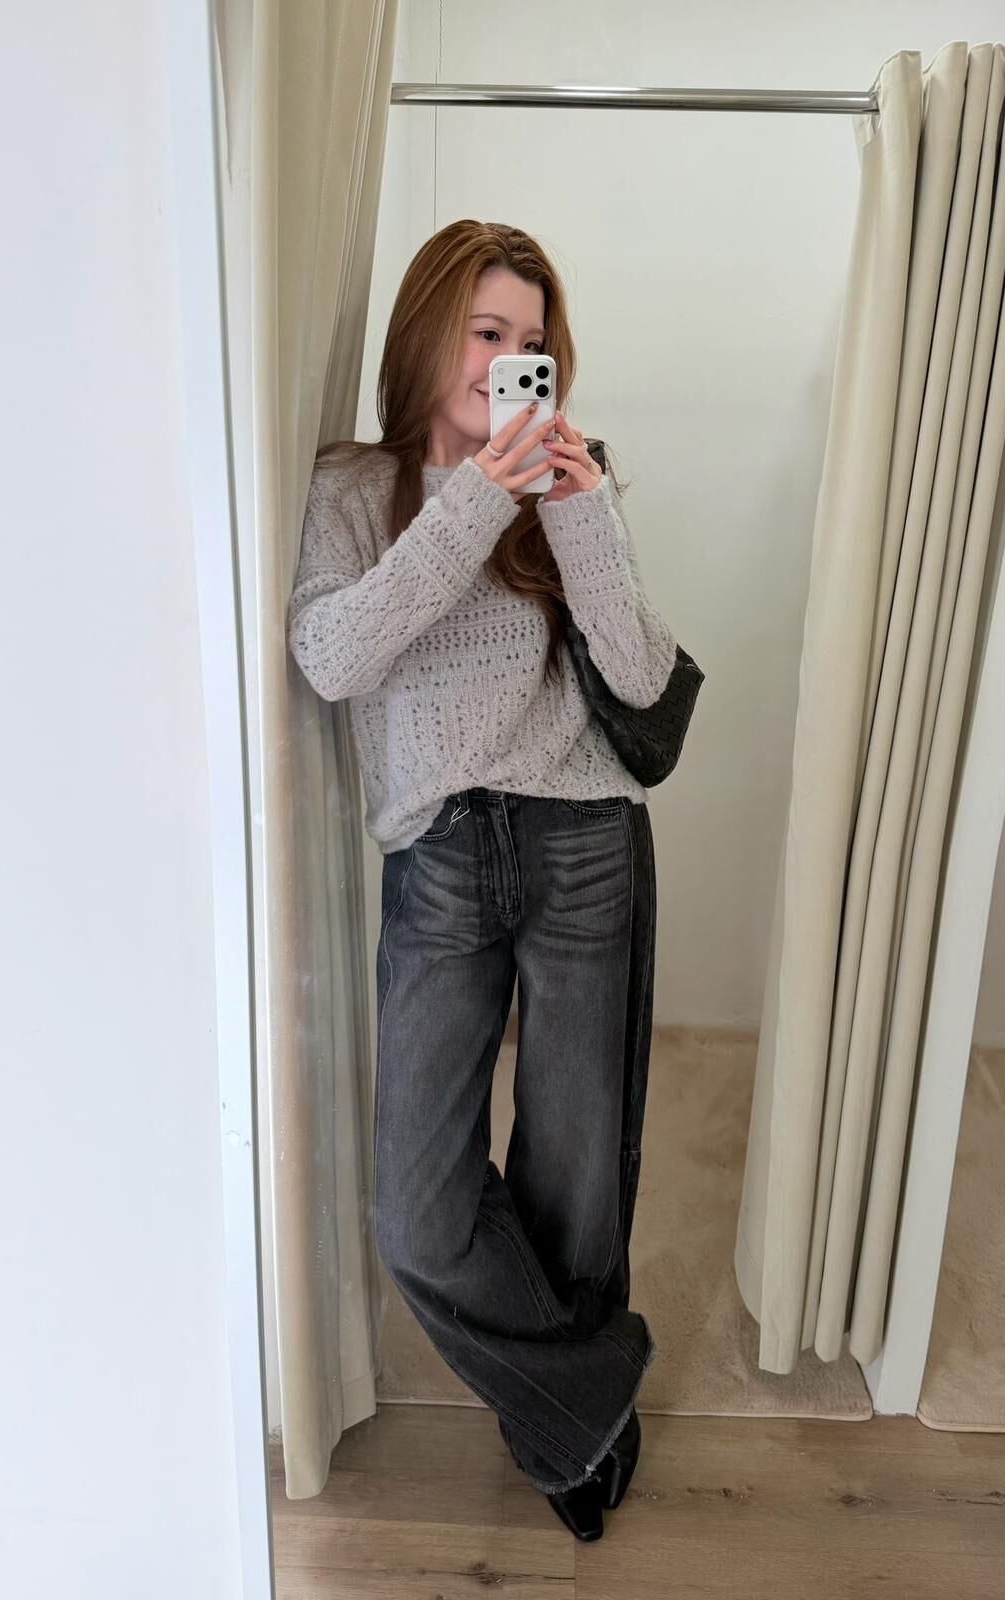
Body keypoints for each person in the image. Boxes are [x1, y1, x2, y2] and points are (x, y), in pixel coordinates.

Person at [288, 220, 677, 1541]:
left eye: (533, 340)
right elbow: (333, 655)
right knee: (418, 1208)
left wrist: (578, 507)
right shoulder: (356, 485)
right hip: (442, 854)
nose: (511, 359)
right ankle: (593, 1397)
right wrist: (469, 502)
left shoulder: (573, 479)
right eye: (487, 331)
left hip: (583, 839)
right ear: (429, 333)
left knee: (577, 1170)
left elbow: (639, 676)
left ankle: (562, 1442)